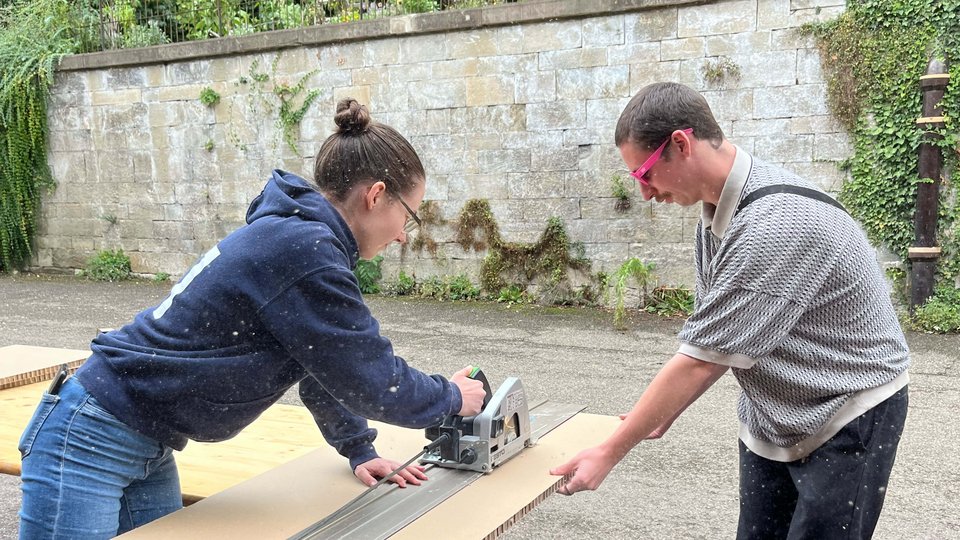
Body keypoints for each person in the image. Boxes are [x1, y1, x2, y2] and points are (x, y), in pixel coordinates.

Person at [17, 98, 486, 539]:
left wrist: (359, 448)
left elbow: (326, 366)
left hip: (145, 442)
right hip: (90, 441)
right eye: (410, 215)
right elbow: (372, 379)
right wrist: (451, 397)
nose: (404, 235)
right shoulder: (306, 250)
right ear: (376, 195)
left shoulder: (298, 238)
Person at [551, 82, 910, 539]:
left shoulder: (777, 223)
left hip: (848, 409)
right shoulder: (716, 216)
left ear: (680, 143)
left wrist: (611, 450)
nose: (644, 193)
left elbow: (700, 361)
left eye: (644, 173)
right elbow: (719, 341)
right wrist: (663, 414)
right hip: (773, 408)